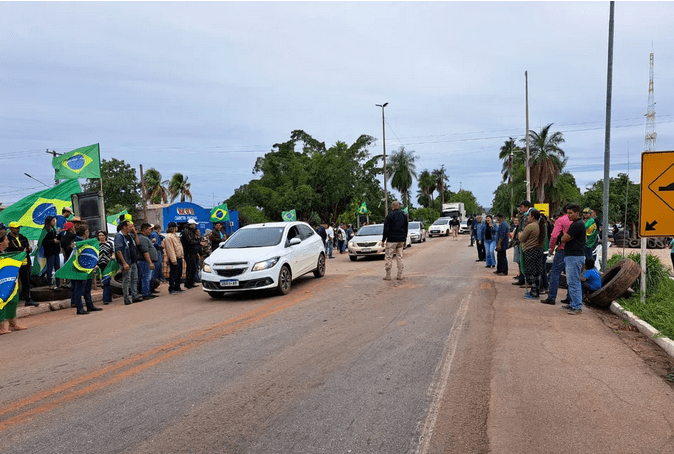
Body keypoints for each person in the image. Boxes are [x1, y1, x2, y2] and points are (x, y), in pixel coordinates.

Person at [541, 204, 572, 305]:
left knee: (555, 273)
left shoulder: (561, 220)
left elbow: (554, 236)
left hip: (562, 249)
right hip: (574, 251)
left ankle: (552, 297)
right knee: (571, 275)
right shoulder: (577, 221)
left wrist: (551, 248)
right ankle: (570, 297)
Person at [70, 225, 103, 315]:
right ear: (84, 233)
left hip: (88, 268)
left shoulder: (87, 241)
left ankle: (89, 305)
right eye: (87, 231)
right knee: (79, 288)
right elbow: (73, 247)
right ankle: (79, 308)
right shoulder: (76, 241)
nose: (88, 233)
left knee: (87, 288)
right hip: (80, 269)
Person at [561, 204, 586, 315]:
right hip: (573, 256)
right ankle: (573, 303)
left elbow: (565, 238)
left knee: (573, 282)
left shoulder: (577, 225)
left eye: (571, 213)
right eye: (567, 213)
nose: (568, 215)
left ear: (577, 213)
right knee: (571, 282)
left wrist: (563, 237)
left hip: (574, 257)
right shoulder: (576, 224)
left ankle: (576, 306)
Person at [0, 229, 27, 333]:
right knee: (1, 301)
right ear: (1, 242)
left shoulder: (8, 254)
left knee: (13, 300)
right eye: (6, 239)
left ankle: (13, 324)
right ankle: (1, 326)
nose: (8, 241)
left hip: (10, 281)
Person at [6, 221, 37, 306]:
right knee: (13, 282)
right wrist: (23, 249)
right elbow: (12, 249)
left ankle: (27, 299)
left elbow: (28, 248)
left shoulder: (23, 237)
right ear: (11, 229)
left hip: (25, 262)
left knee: (26, 281)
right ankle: (12, 300)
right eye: (16, 228)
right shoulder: (7, 239)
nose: (18, 230)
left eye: (18, 228)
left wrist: (26, 249)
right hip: (14, 263)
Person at [519, 209, 546, 299]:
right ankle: (536, 291)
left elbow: (522, 238)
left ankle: (534, 292)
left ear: (533, 217)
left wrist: (519, 234)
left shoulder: (530, 227)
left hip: (530, 251)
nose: (527, 217)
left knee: (530, 272)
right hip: (538, 250)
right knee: (536, 272)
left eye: (529, 215)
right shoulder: (540, 226)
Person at [115, 220, 142, 305]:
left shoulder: (130, 236)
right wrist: (124, 263)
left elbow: (137, 243)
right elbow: (118, 251)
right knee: (126, 280)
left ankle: (135, 296)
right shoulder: (119, 236)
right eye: (130, 227)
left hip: (133, 261)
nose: (131, 228)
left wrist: (135, 233)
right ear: (124, 227)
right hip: (126, 261)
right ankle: (126, 298)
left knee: (134, 279)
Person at [382, 201, 408, 280]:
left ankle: (388, 275)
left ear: (392, 207)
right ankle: (400, 275)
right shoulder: (404, 216)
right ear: (399, 207)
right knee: (399, 257)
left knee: (389, 257)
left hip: (391, 240)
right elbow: (406, 228)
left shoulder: (389, 216)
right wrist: (405, 239)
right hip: (401, 240)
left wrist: (383, 240)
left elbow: (386, 229)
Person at [512, 200, 532, 286]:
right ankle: (521, 279)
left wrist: (521, 239)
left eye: (521, 207)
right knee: (521, 262)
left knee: (524, 263)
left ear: (526, 207)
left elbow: (524, 231)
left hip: (524, 243)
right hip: (520, 242)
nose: (520, 209)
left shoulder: (526, 217)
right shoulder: (523, 217)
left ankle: (526, 281)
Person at [137, 224, 157, 300]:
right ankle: (145, 293)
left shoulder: (145, 238)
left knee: (147, 277)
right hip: (145, 261)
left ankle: (147, 292)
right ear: (144, 230)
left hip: (145, 261)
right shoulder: (142, 239)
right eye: (149, 229)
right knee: (146, 277)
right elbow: (145, 252)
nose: (150, 231)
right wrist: (150, 262)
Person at [164, 222, 185, 295]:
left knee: (179, 273)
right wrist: (173, 260)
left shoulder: (175, 235)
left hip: (179, 257)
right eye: (176, 227)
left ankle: (177, 287)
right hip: (174, 258)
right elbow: (170, 249)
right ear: (173, 228)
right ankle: (171, 288)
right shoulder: (168, 237)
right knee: (173, 273)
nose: (177, 228)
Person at [42, 216, 62, 291]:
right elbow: (43, 242)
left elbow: (58, 238)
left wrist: (59, 234)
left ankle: (58, 283)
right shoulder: (45, 230)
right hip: (50, 252)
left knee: (57, 267)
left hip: (56, 251)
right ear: (49, 222)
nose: (54, 223)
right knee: (50, 268)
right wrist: (52, 241)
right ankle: (50, 283)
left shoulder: (54, 229)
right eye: (53, 221)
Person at [181, 219, 201, 289]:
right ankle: (188, 283)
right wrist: (198, 242)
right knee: (190, 268)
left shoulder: (191, 231)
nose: (195, 226)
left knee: (193, 268)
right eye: (194, 224)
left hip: (192, 252)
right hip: (189, 252)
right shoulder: (186, 231)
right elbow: (189, 241)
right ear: (191, 224)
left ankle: (191, 282)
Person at [97, 230, 115, 305]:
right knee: (104, 282)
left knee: (107, 281)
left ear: (105, 236)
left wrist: (113, 256)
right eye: (100, 236)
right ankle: (107, 297)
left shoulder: (110, 243)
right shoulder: (96, 245)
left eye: (102, 235)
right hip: (100, 265)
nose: (101, 237)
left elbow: (112, 252)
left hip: (108, 265)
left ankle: (106, 298)